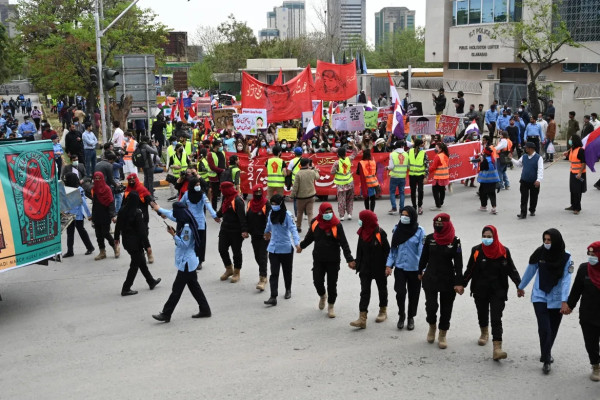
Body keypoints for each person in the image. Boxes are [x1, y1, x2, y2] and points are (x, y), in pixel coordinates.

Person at [462, 226, 521, 360]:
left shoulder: (504, 251)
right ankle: (484, 333)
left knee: (496, 317)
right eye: (484, 236)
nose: (486, 239)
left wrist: (519, 285)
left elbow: (511, 269)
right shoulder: (477, 250)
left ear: (495, 237)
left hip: (498, 290)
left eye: (489, 237)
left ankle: (497, 348)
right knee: (482, 312)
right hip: (480, 289)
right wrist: (462, 284)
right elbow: (470, 269)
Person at [518, 229, 572, 374]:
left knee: (553, 329)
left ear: (556, 241)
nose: (547, 243)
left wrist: (564, 301)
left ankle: (546, 351)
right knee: (544, 328)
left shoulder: (566, 258)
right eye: (545, 240)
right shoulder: (539, 253)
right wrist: (521, 287)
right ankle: (547, 359)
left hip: (557, 298)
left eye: (549, 240)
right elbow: (530, 270)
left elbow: (567, 280)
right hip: (540, 296)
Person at [152, 201, 212, 323]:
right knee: (194, 287)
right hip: (189, 262)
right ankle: (205, 309)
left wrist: (173, 235)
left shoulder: (186, 228)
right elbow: (171, 215)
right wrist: (160, 210)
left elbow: (184, 245)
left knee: (177, 289)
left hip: (186, 262)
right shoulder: (186, 222)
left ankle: (166, 313)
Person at [299, 203, 355, 318]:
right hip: (319, 259)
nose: (328, 214)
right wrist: (302, 246)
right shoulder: (315, 222)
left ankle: (331, 305)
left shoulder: (337, 225)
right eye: (326, 212)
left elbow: (344, 243)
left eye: (330, 212)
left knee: (332, 284)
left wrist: (349, 259)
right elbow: (310, 237)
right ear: (321, 212)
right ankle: (322, 295)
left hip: (333, 260)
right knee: (317, 281)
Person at [418, 213, 464, 349]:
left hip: (448, 279)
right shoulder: (429, 239)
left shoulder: (455, 241)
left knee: (446, 308)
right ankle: (432, 326)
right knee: (431, 306)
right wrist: (419, 271)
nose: (437, 227)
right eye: (435, 224)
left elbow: (459, 263)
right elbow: (423, 257)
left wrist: (459, 282)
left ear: (447, 225)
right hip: (430, 277)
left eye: (440, 225)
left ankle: (443, 333)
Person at [156, 177, 218, 270]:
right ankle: (192, 260)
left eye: (199, 185)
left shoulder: (202, 195)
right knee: (190, 243)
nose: (198, 186)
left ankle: (199, 261)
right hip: (190, 223)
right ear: (192, 186)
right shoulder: (186, 195)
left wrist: (215, 216)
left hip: (200, 223)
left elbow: (209, 206)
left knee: (200, 243)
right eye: (196, 185)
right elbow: (179, 206)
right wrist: (166, 213)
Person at [348, 210, 390, 328]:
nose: (360, 221)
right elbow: (360, 250)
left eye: (362, 219)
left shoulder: (380, 234)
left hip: (379, 268)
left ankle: (383, 311)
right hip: (365, 268)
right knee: (364, 292)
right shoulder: (362, 233)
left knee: (382, 289)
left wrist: (388, 266)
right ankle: (362, 318)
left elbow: (388, 251)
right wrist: (356, 263)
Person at [565, 241, 600, 382]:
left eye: (594, 255)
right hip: (588, 314)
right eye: (589, 254)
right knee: (590, 342)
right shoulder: (584, 269)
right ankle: (596, 365)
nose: (591, 257)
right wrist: (569, 306)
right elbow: (576, 290)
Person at [114, 191, 160, 296]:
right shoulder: (137, 212)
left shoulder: (122, 210)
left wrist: (116, 238)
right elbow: (142, 232)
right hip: (135, 243)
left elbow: (118, 225)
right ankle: (126, 288)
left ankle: (151, 281)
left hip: (126, 242)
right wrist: (148, 246)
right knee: (135, 265)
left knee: (141, 262)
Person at [386, 206, 425, 331]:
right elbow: (393, 249)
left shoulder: (419, 231)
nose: (404, 217)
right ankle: (401, 315)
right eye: (402, 214)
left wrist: (423, 269)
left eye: (407, 215)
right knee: (400, 292)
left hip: (414, 269)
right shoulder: (397, 229)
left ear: (412, 216)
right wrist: (388, 265)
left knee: (414, 295)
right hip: (400, 268)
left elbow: (423, 251)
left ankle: (410, 317)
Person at [263, 194, 301, 306]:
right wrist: (266, 233)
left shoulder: (287, 215)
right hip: (274, 248)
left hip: (286, 248)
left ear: (281, 204)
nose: (273, 206)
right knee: (274, 273)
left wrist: (297, 244)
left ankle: (288, 289)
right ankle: (273, 296)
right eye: (272, 204)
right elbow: (269, 226)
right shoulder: (271, 214)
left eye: (276, 204)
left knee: (287, 271)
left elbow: (293, 230)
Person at [217, 181, 248, 283]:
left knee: (236, 252)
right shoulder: (226, 198)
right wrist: (216, 215)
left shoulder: (238, 200)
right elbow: (222, 211)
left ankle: (237, 272)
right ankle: (229, 269)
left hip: (236, 231)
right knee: (222, 249)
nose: (221, 191)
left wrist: (244, 230)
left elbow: (242, 217)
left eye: (222, 189)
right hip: (224, 229)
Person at [63, 173, 95, 257]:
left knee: (81, 231)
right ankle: (70, 251)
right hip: (68, 214)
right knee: (69, 233)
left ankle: (90, 247)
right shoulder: (65, 189)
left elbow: (83, 202)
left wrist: (89, 214)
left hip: (78, 214)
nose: (65, 180)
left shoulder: (79, 189)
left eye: (66, 178)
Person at [246, 184, 271, 291]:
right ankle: (263, 271)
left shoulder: (266, 203)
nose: (258, 195)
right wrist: (245, 230)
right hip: (254, 234)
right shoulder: (250, 203)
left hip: (264, 235)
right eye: (256, 193)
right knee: (257, 256)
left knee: (262, 256)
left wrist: (268, 232)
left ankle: (262, 278)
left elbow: (269, 219)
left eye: (260, 193)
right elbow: (247, 217)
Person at [510, 142, 543, 219]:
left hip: (534, 181)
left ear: (531, 149)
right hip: (524, 180)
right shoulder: (524, 156)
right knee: (523, 197)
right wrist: (511, 159)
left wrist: (539, 180)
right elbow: (519, 164)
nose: (525, 149)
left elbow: (540, 170)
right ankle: (523, 213)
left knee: (534, 196)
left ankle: (532, 209)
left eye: (527, 148)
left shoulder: (538, 158)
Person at [91, 172, 119, 261]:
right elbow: (94, 203)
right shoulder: (94, 189)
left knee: (106, 233)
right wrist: (92, 216)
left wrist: (112, 215)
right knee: (98, 235)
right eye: (96, 178)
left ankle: (115, 247)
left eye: (99, 178)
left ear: (102, 179)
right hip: (96, 215)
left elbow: (111, 203)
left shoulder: (107, 189)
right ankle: (102, 252)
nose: (98, 180)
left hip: (105, 215)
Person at [291, 158, 319, 233]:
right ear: (307, 164)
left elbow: (295, 187)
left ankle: (298, 227)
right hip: (311, 195)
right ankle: (311, 228)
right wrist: (315, 169)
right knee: (310, 213)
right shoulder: (312, 172)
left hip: (301, 197)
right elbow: (317, 177)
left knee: (299, 212)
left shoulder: (298, 174)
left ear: (300, 165)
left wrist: (292, 195)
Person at [331, 146, 357, 221]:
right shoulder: (349, 159)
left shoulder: (336, 163)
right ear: (345, 153)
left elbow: (332, 172)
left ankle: (342, 215)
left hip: (340, 183)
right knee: (350, 198)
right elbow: (355, 152)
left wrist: (337, 172)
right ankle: (349, 214)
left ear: (338, 154)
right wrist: (353, 145)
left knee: (341, 200)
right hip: (349, 182)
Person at [563, 135, 586, 215]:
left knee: (577, 191)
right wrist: (567, 154)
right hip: (572, 172)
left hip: (579, 173)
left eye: (571, 139)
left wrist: (580, 173)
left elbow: (583, 162)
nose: (570, 140)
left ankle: (577, 208)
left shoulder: (580, 150)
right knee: (572, 190)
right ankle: (573, 205)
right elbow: (572, 159)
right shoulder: (572, 149)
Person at [477, 146, 500, 215]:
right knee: (492, 194)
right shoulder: (493, 159)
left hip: (485, 180)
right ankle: (494, 208)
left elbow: (481, 168)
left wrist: (481, 160)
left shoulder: (485, 160)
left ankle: (483, 206)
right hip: (493, 180)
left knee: (483, 193)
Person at [387, 140, 408, 215]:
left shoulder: (392, 154)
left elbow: (391, 166)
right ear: (402, 146)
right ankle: (402, 209)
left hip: (394, 176)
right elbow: (408, 165)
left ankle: (394, 208)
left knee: (392, 192)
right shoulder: (406, 154)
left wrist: (387, 168)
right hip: (403, 176)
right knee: (402, 193)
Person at [408, 139, 427, 215]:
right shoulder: (410, 151)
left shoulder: (423, 153)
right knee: (412, 191)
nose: (423, 145)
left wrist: (426, 177)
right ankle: (414, 207)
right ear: (418, 145)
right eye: (422, 144)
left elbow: (427, 165)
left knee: (420, 191)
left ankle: (420, 206)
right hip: (412, 175)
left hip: (420, 175)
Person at [429, 143, 449, 212]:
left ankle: (438, 206)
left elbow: (434, 166)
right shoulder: (445, 155)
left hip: (438, 176)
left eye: (436, 147)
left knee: (435, 191)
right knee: (442, 190)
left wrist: (427, 171)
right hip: (444, 176)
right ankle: (441, 202)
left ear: (440, 149)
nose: (435, 149)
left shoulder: (437, 156)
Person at [208, 140, 226, 209]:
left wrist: (226, 170)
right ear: (216, 146)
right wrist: (222, 170)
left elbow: (225, 163)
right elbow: (212, 167)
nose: (221, 147)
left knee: (224, 193)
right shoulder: (210, 154)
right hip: (215, 177)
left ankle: (223, 208)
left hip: (223, 176)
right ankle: (214, 209)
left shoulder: (222, 152)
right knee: (215, 194)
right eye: (220, 145)